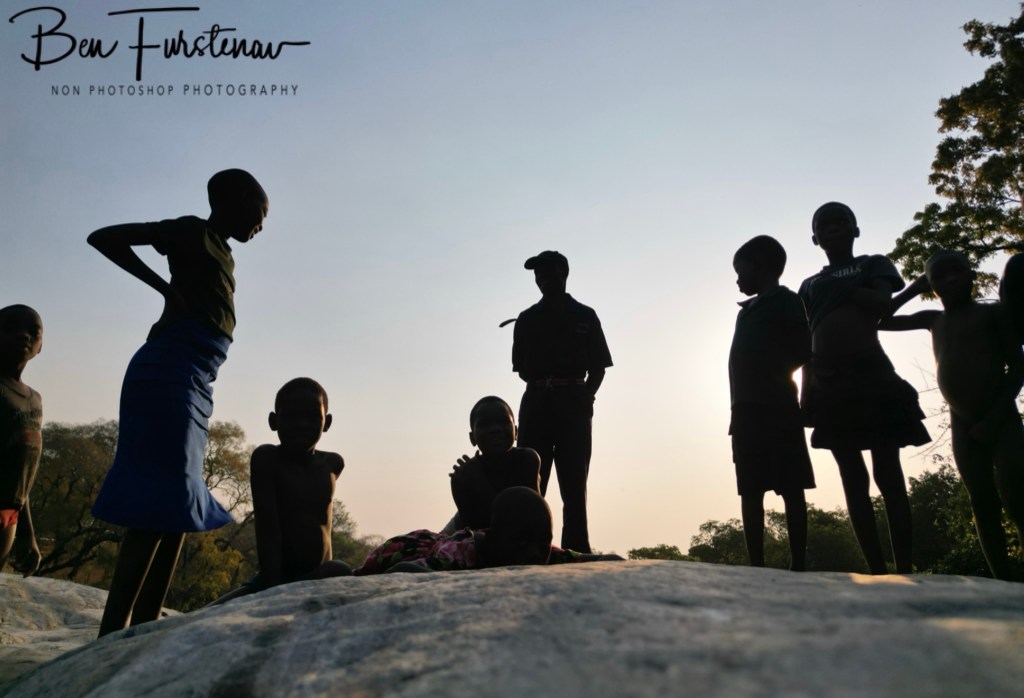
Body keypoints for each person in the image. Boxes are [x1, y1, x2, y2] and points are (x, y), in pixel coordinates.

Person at [88, 168, 268, 636]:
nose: (262, 224)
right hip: (167, 371)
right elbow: (104, 238)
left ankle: (146, 629)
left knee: (178, 505)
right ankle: (112, 635)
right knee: (157, 501)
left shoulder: (223, 252)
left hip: (197, 379)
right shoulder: (191, 230)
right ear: (236, 199)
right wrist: (165, 289)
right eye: (260, 211)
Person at [798, 202, 930, 575]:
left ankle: (904, 567)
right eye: (824, 224)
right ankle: (875, 569)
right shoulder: (809, 285)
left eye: (841, 221)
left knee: (888, 473)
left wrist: (846, 290)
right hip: (829, 384)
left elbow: (881, 305)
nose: (833, 227)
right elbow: (807, 341)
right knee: (852, 479)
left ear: (856, 230)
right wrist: (805, 392)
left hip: (873, 376)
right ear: (815, 238)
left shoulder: (873, 264)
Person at [881, 250, 1024, 580]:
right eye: (939, 277)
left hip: (1001, 418)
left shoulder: (994, 313)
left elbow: (1018, 367)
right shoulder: (933, 320)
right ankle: (1001, 580)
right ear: (931, 285)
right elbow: (880, 321)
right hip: (962, 421)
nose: (949, 280)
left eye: (956, 272)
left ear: (972, 275)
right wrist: (914, 288)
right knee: (982, 502)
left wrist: (993, 419)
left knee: (1018, 497)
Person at [213, 378, 350, 603]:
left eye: (312, 417)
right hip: (274, 578)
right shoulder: (267, 459)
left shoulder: (332, 464)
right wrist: (273, 591)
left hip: (319, 576)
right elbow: (267, 529)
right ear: (274, 421)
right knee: (208, 613)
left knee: (337, 569)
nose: (302, 424)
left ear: (327, 422)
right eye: (291, 417)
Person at [512, 251, 612, 554]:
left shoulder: (586, 315)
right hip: (536, 403)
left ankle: (577, 548)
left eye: (549, 270)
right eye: (538, 273)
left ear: (564, 273)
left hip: (574, 404)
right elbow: (521, 369)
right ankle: (528, 546)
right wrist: (546, 385)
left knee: (574, 479)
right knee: (530, 477)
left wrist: (585, 397)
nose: (542, 277)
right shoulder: (527, 319)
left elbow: (599, 367)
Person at [728, 236, 815, 570]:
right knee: (750, 488)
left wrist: (800, 392)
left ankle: (798, 564)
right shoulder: (745, 312)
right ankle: (757, 566)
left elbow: (803, 351)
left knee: (792, 486)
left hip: (779, 407)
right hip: (745, 411)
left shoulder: (787, 301)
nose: (738, 280)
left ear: (759, 266)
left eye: (740, 271)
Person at [354, 487, 620, 575]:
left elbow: (598, 559)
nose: (534, 552)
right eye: (521, 541)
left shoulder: (539, 550)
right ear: (493, 540)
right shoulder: (458, 554)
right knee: (358, 573)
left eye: (544, 541)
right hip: (411, 547)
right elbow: (405, 570)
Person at [441, 396, 541, 533]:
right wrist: (475, 480)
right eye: (484, 424)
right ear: (472, 438)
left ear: (516, 431)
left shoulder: (528, 460)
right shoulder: (463, 476)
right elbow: (477, 533)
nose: (495, 429)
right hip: (461, 530)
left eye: (504, 422)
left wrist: (480, 483)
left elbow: (533, 522)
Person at [0, 305, 44, 578]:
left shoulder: (34, 400)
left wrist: (28, 534)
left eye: (33, 331)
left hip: (9, 513)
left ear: (41, 345)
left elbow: (22, 472)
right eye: (10, 329)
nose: (23, 335)